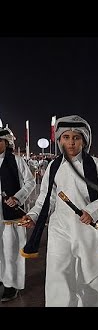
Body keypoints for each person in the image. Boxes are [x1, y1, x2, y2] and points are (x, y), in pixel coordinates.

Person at [19, 115, 98, 307]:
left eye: (76, 137)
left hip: (89, 230)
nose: (71, 142)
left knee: (93, 276)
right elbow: (45, 199)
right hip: (60, 230)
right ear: (59, 140)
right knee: (59, 277)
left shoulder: (96, 164)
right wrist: (32, 216)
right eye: (66, 137)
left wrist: (91, 211)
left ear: (84, 140)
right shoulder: (54, 166)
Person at [0, 127, 35, 302]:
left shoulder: (17, 160)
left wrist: (17, 197)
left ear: (6, 143)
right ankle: (2, 279)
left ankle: (11, 284)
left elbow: (30, 182)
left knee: (12, 250)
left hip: (12, 214)